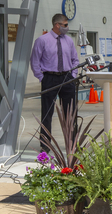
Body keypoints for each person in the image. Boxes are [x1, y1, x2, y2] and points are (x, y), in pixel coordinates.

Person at [30, 14, 79, 153]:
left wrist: (73, 75)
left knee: (70, 113)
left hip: (67, 78)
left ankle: (72, 144)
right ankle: (45, 145)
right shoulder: (42, 40)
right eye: (65, 25)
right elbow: (35, 61)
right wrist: (42, 78)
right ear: (57, 25)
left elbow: (75, 59)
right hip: (49, 78)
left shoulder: (69, 41)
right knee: (47, 112)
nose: (67, 27)